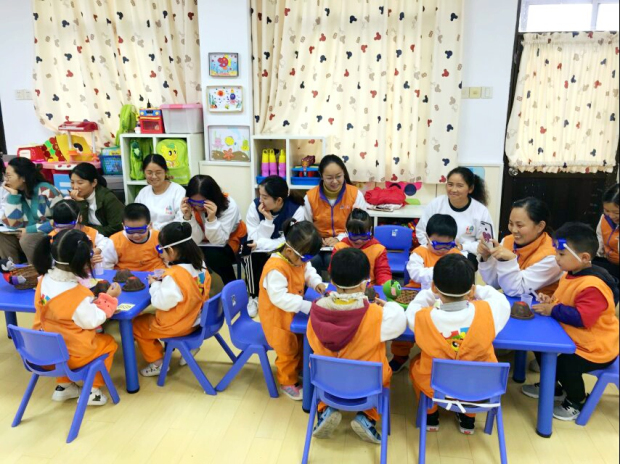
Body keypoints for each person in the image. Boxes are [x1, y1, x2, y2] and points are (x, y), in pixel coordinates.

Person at [522, 223, 619, 422]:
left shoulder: (592, 286)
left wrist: (553, 310)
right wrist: (552, 301)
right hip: (575, 338)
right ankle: (554, 387)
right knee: (541, 347)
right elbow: (568, 301)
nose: (556, 258)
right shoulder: (571, 273)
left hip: (596, 348)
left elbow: (583, 318)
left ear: (584, 257)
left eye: (561, 254)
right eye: (556, 253)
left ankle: (576, 400)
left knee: (565, 366)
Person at [308, 248, 406, 444]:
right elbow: (400, 322)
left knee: (325, 363)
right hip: (367, 383)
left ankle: (325, 408)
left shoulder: (316, 311)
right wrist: (388, 305)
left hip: (327, 381)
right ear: (364, 284)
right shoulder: (376, 315)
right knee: (381, 372)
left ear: (332, 281)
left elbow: (312, 341)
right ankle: (368, 417)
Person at [406, 254, 510, 434]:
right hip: (479, 385)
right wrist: (475, 290)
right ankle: (468, 419)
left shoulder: (421, 318)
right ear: (471, 290)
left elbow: (415, 305)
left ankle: (431, 415)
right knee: (474, 371)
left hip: (435, 386)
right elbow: (498, 298)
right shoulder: (490, 312)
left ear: (434, 287)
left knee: (416, 364)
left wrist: (431, 292)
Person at [31, 229, 121, 405]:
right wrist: (109, 298)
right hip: (70, 356)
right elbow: (93, 320)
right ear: (83, 261)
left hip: (42, 352)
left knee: (61, 337)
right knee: (109, 343)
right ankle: (93, 391)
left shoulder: (44, 280)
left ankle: (64, 386)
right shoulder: (77, 294)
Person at [258, 219, 325, 400]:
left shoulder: (298, 257)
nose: (306, 262)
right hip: (277, 319)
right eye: (305, 258)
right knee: (287, 350)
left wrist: (316, 283)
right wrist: (307, 306)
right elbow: (279, 298)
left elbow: (308, 271)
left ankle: (298, 370)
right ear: (289, 251)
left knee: (300, 342)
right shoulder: (275, 268)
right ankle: (287, 381)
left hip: (292, 313)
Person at [133, 222, 211, 377]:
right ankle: (189, 346)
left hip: (179, 324)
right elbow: (188, 288)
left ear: (171, 250)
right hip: (197, 319)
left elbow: (160, 303)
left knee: (137, 325)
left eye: (161, 249)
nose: (160, 253)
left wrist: (154, 284)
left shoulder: (174, 276)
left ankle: (157, 363)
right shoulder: (200, 264)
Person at [390, 214, 463, 374]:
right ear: (427, 238)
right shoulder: (419, 252)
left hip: (446, 297)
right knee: (404, 322)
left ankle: (440, 353)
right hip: (416, 293)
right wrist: (441, 271)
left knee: (449, 325)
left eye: (448, 245)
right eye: (437, 244)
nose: (443, 249)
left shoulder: (456, 255)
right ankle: (400, 354)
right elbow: (416, 274)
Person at [244, 176, 305, 316]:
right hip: (259, 248)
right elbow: (254, 239)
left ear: (279, 200)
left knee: (287, 253)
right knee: (251, 253)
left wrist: (263, 243)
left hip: (285, 249)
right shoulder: (254, 207)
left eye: (265, 197)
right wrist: (267, 221)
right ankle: (254, 296)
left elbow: (289, 241)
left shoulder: (296, 210)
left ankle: (285, 295)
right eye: (260, 195)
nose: (260, 200)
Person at [478, 197, 562, 297]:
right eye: (511, 223)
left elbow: (516, 290)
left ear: (540, 226)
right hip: (511, 302)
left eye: (519, 225)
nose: (513, 230)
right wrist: (486, 258)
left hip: (537, 305)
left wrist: (509, 260)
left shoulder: (552, 256)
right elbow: (494, 283)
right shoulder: (508, 241)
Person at [415, 167, 493, 269]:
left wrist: (462, 246)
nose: (453, 190)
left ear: (470, 189)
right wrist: (435, 246)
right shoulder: (436, 204)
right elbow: (421, 231)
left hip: (464, 254)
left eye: (459, 186)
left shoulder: (481, 211)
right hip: (434, 250)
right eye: (450, 184)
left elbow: (487, 242)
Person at [304, 155, 367, 277]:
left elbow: (360, 227)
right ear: (321, 176)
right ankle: (314, 288)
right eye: (329, 178)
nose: (334, 181)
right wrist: (316, 239)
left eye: (338, 176)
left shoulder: (355, 194)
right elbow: (306, 226)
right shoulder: (310, 197)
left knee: (334, 259)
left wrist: (339, 239)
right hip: (317, 244)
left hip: (346, 242)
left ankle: (339, 289)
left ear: (344, 173)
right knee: (312, 261)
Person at [178, 175, 247, 285]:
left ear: (213, 197)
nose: (197, 206)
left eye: (202, 203)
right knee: (183, 253)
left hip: (230, 240)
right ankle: (191, 289)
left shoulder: (229, 205)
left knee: (213, 255)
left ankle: (232, 286)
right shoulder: (187, 205)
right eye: (193, 202)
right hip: (203, 242)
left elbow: (219, 241)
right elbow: (195, 240)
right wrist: (188, 217)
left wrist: (211, 219)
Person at [0, 157, 62, 263]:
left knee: (27, 239)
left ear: (23, 177)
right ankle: (13, 270)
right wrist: (13, 195)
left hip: (49, 235)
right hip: (23, 235)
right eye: (5, 175)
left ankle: (37, 271)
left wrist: (29, 230)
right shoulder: (16, 193)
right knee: (2, 237)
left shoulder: (46, 190)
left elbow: (61, 221)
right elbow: (12, 225)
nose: (6, 180)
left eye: (9, 176)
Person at [330, 208, 391, 286]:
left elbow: (383, 271)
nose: (359, 240)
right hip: (344, 288)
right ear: (346, 231)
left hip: (368, 289)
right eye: (354, 236)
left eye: (364, 236)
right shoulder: (339, 248)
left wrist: (385, 285)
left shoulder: (378, 249)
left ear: (370, 230)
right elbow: (333, 271)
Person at [50, 199, 112, 270]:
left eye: (70, 226)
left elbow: (106, 243)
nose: (66, 231)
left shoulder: (89, 232)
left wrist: (97, 250)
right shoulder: (51, 239)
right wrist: (85, 261)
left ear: (80, 218)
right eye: (60, 227)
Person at [103, 203, 166, 271]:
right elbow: (106, 264)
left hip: (156, 273)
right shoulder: (115, 241)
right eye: (130, 231)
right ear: (123, 226)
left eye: (141, 230)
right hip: (126, 275)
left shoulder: (158, 237)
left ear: (150, 225)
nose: (136, 235)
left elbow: (167, 259)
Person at [70, 163, 125, 237]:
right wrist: (81, 202)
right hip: (88, 237)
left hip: (109, 238)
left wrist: (90, 231)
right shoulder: (74, 198)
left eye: (80, 183)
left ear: (94, 183)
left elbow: (116, 227)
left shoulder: (108, 198)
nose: (75, 187)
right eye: (72, 182)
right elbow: (79, 227)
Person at [134, 154, 186, 231]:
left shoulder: (178, 191)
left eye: (158, 172)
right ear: (144, 172)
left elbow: (181, 219)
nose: (154, 176)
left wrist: (155, 229)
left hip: (171, 234)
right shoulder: (143, 192)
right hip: (146, 235)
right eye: (149, 173)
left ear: (165, 171)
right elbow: (135, 216)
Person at [595, 183, 619, 280]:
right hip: (609, 263)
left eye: (617, 212)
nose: (611, 216)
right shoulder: (605, 219)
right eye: (607, 210)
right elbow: (600, 242)